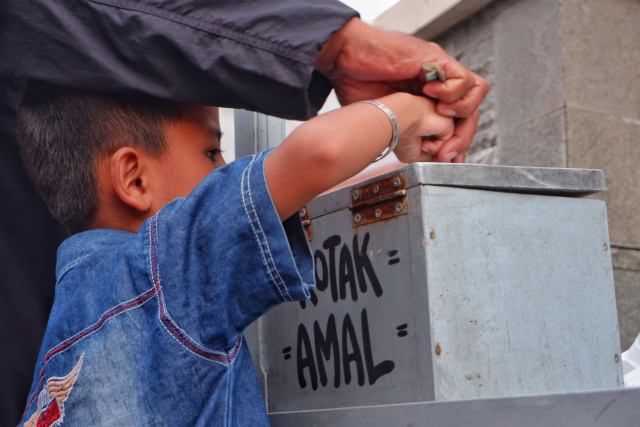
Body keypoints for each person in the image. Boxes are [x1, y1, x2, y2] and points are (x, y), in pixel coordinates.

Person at [0, 1, 488, 423]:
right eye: (212, 154)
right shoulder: (169, 268)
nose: (224, 169)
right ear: (134, 179)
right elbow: (316, 154)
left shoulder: (63, 318)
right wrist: (405, 111)